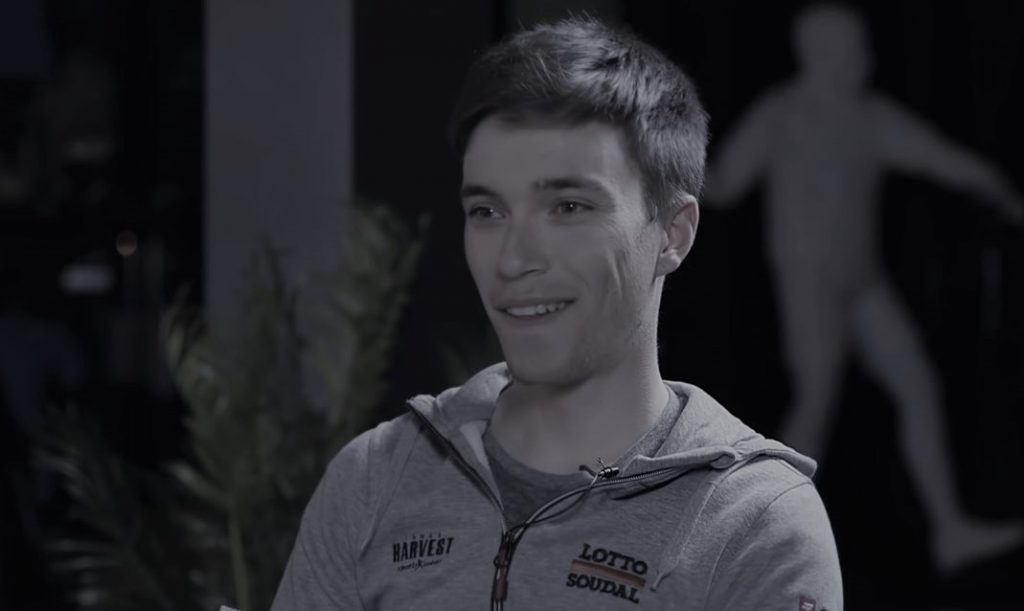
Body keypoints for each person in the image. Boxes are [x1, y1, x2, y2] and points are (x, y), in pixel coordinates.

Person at [272, 16, 842, 610]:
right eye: (488, 212)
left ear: (673, 234)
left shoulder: (753, 522)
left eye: (569, 207)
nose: (513, 259)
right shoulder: (374, 479)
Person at [703, 3, 1023, 573]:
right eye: (851, 49)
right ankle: (749, 543)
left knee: (917, 384)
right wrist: (661, 161)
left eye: (863, 49)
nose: (864, 61)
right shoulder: (781, 114)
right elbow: (724, 184)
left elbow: (939, 157)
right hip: (810, 280)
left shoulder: (870, 116)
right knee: (817, 397)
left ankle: (949, 529)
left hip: (862, 281)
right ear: (816, 53)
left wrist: (996, 186)